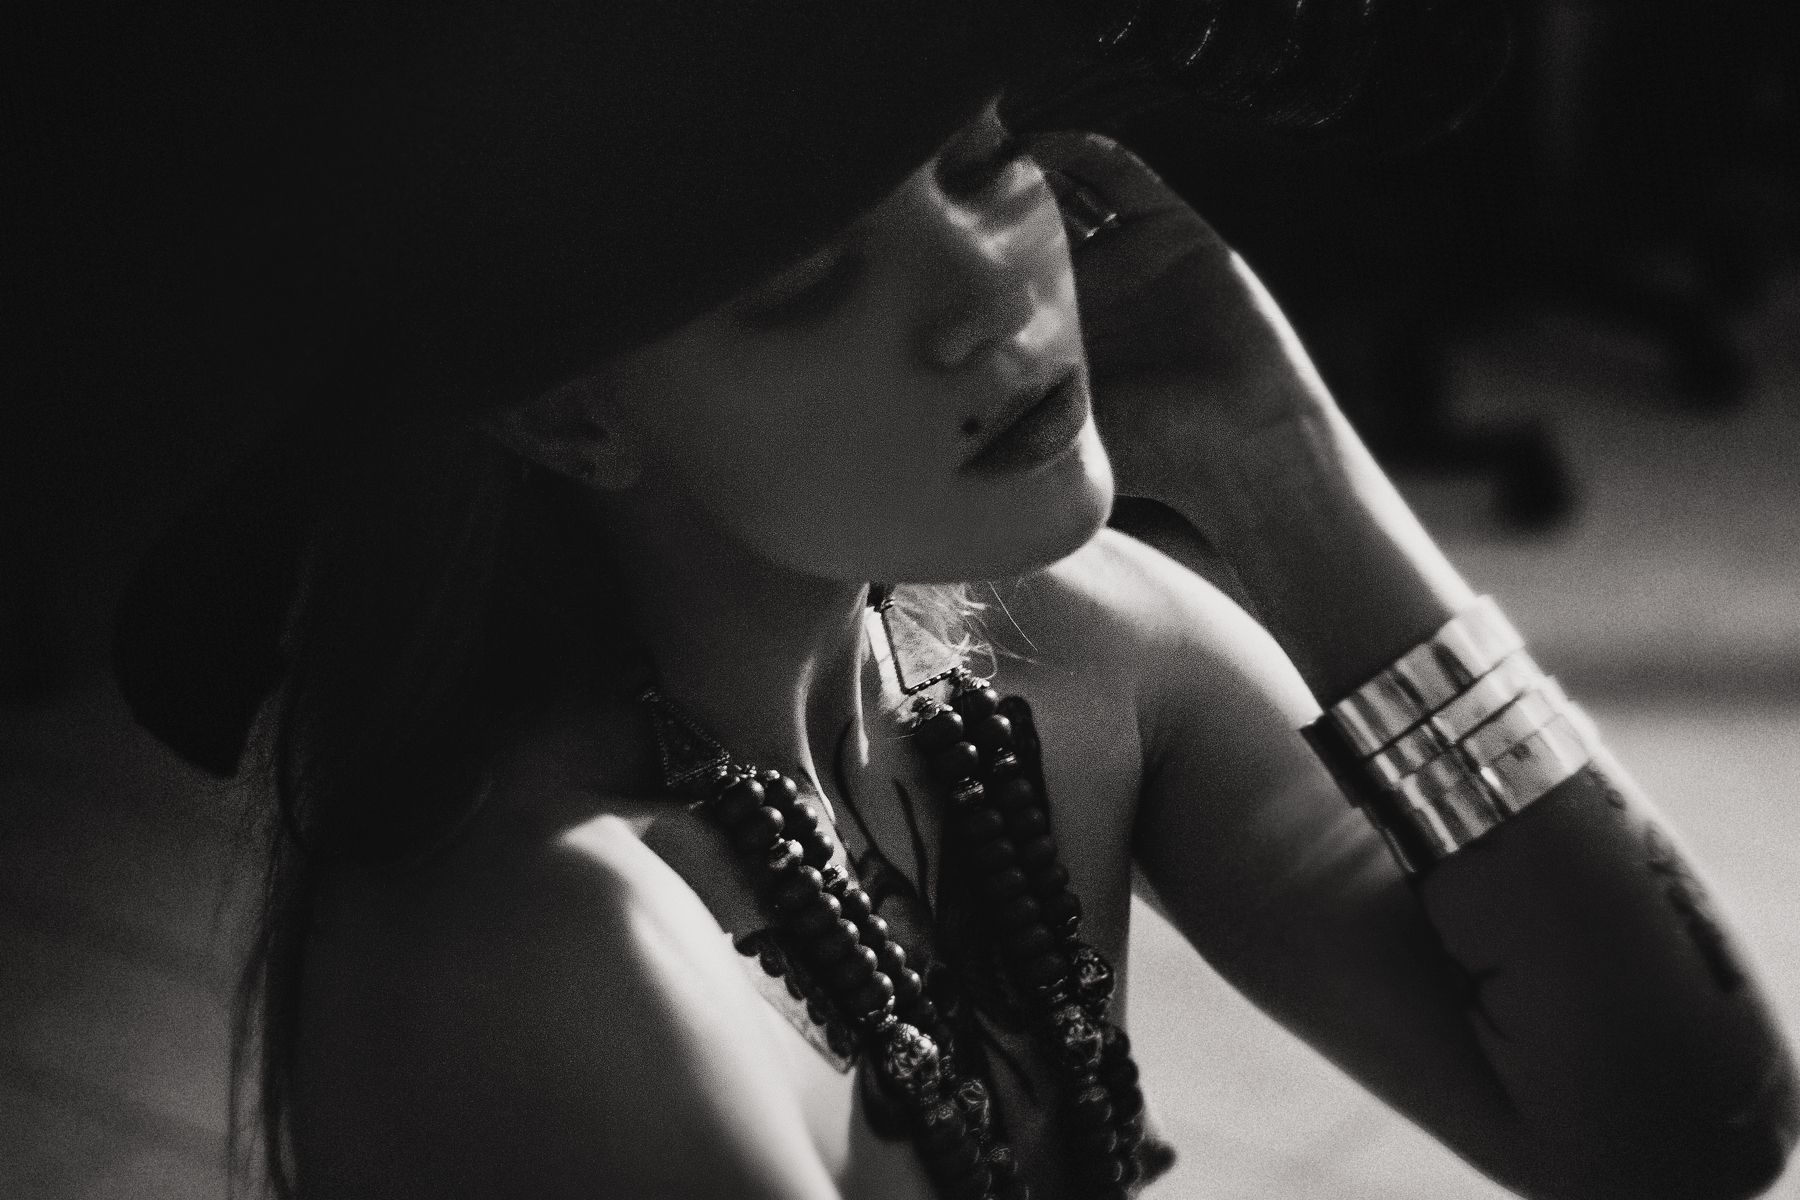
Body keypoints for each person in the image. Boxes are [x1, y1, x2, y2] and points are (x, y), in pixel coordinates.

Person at [110, 3, 1797, 1199]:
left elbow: (1694, 1133)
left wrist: (1291, 472)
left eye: (983, 160)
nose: (990, 296)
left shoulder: (1063, 650)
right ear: (570, 417)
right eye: (808, 280)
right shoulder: (553, 954)